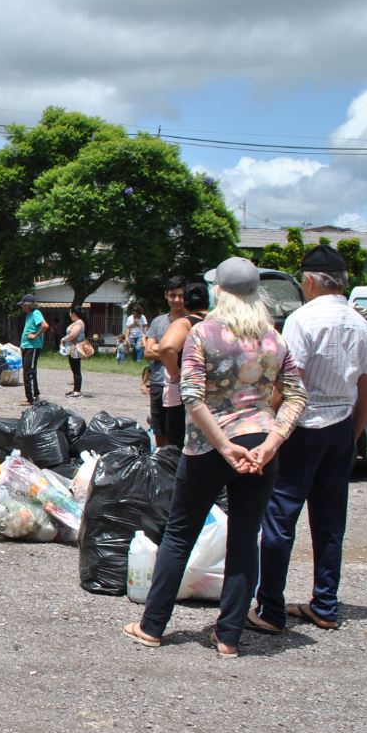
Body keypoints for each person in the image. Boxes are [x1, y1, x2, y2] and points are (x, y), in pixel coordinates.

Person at [123, 257, 307, 657]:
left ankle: (152, 626)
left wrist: (224, 445)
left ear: (218, 291)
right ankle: (229, 637)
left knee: (179, 534)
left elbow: (190, 395)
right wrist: (270, 444)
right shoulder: (273, 338)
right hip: (259, 448)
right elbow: (296, 396)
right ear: (258, 292)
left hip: (209, 446)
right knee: (245, 539)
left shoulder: (203, 333)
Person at [250, 244, 367, 634]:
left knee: (279, 517)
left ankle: (270, 609)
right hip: (342, 425)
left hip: (301, 425)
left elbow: (291, 383)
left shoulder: (303, 320)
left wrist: (271, 426)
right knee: (329, 522)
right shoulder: (362, 324)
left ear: (308, 281)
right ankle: (325, 604)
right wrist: (353, 433)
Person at [155, 282, 210, 448]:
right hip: (213, 392)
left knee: (179, 443)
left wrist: (175, 373)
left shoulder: (185, 323)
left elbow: (166, 348)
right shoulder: (219, 322)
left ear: (185, 303)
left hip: (186, 395)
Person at [143, 277, 189, 446]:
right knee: (159, 429)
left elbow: (190, 354)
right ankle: (162, 465)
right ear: (166, 296)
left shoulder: (192, 322)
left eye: (181, 295)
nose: (177, 300)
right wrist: (174, 351)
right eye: (173, 295)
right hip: (158, 383)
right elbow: (148, 352)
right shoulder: (158, 322)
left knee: (180, 431)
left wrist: (161, 349)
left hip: (184, 384)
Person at [18, 294, 48, 405]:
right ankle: (35, 394)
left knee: (28, 372)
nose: (21, 307)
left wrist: (35, 335)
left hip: (33, 346)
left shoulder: (36, 313)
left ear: (28, 305)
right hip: (27, 346)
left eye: (22, 305)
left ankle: (30, 398)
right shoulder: (28, 315)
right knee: (30, 371)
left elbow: (45, 326)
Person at [62, 305, 87, 398]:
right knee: (74, 369)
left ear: (73, 313)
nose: (69, 315)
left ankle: (77, 391)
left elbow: (73, 335)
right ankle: (75, 389)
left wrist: (64, 339)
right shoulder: (77, 322)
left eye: (70, 312)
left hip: (75, 349)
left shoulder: (79, 322)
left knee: (76, 370)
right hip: (72, 348)